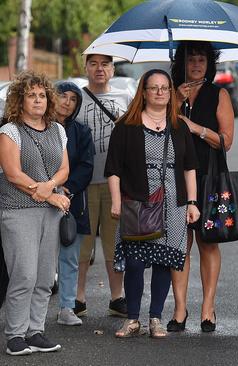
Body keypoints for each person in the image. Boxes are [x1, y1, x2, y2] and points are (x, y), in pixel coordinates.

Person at [105, 69, 199, 338]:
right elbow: (113, 169)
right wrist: (115, 202)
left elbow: (190, 167)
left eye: (165, 88)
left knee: (164, 262)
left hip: (174, 204)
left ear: (171, 93)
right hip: (137, 203)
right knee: (135, 262)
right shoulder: (126, 126)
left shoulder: (180, 126)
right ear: (143, 92)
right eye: (153, 87)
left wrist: (192, 202)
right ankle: (132, 319)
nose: (160, 92)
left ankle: (155, 318)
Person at [0, 71, 69, 355]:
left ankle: (36, 331)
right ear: (20, 99)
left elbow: (64, 169)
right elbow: (13, 173)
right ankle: (15, 335)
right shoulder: (9, 131)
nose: (38, 100)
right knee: (24, 275)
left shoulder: (58, 130)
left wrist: (51, 187)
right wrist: (46, 193)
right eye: (31, 95)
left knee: (44, 277)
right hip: (18, 211)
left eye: (42, 95)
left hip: (50, 212)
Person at [168, 41, 234, 332]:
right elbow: (152, 126)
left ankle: (208, 308)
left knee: (208, 241)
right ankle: (180, 309)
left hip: (209, 175)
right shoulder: (168, 91)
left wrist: (196, 129)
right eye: (190, 59)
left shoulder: (218, 94)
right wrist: (173, 101)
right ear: (181, 62)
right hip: (175, 177)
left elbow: (226, 141)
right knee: (180, 244)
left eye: (201, 59)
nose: (196, 64)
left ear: (210, 64)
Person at [76, 53, 132, 318]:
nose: (100, 69)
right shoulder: (75, 99)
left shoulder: (125, 98)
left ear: (112, 68)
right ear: (85, 67)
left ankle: (116, 297)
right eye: (93, 63)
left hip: (115, 186)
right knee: (81, 245)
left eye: (105, 64)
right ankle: (76, 298)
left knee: (113, 244)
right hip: (83, 184)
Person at [54, 81, 95, 326]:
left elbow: (87, 166)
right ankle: (28, 312)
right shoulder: (38, 126)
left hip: (71, 201)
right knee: (37, 260)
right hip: (38, 199)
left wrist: (66, 189)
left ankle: (67, 308)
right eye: (63, 96)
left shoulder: (81, 131)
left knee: (69, 257)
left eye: (73, 99)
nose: (67, 102)